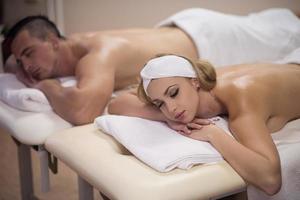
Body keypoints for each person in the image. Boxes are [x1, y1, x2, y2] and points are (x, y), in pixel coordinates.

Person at [2, 8, 300, 125]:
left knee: (287, 26)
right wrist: (17, 64)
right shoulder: (75, 48)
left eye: (29, 53)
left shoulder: (97, 54)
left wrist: (48, 86)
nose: (26, 67)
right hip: (188, 29)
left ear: (54, 41)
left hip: (212, 39)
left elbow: (83, 111)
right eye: (21, 60)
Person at [107, 53, 300, 195]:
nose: (172, 109)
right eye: (160, 103)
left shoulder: (241, 99)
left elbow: (270, 179)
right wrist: (163, 116)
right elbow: (117, 104)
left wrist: (212, 134)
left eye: (173, 93)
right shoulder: (188, 82)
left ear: (195, 82)